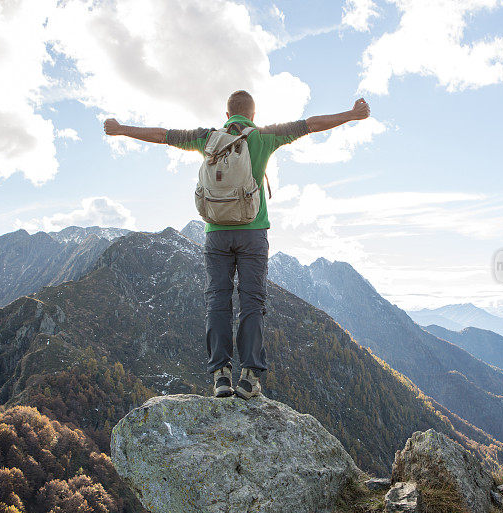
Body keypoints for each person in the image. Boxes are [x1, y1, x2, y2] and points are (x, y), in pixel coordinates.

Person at [104, 90, 371, 399]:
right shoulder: (264, 136)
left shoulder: (207, 138)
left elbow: (163, 135)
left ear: (226, 114)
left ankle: (220, 375)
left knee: (217, 301)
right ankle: (249, 378)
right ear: (253, 115)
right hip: (253, 232)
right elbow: (310, 124)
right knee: (252, 302)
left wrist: (122, 129)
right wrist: (350, 115)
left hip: (216, 232)